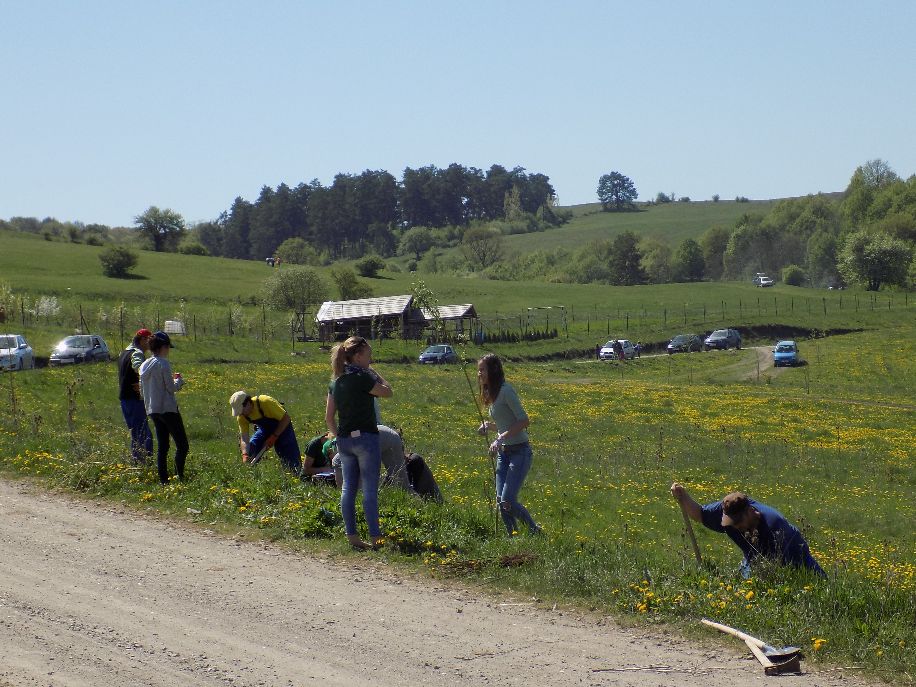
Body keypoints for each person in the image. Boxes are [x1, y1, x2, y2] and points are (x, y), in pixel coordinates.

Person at [670, 483, 825, 577]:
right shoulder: (727, 511)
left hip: (794, 556)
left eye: (738, 522)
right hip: (755, 559)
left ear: (750, 511)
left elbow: (778, 570)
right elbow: (699, 514)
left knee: (815, 585)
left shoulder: (775, 528)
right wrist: (683, 496)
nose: (735, 526)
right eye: (731, 522)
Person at [325, 336, 392, 550]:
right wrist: (374, 373)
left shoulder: (336, 381)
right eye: (369, 356)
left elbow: (328, 418)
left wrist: (337, 437)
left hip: (344, 440)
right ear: (358, 356)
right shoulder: (363, 378)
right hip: (366, 438)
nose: (370, 360)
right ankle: (376, 538)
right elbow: (388, 392)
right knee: (370, 489)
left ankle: (352, 537)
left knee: (348, 489)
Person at [477, 353, 540, 536]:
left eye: (482, 370)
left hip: (519, 453)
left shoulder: (506, 391)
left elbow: (523, 421)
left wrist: (500, 437)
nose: (479, 374)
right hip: (503, 454)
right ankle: (513, 537)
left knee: (508, 501)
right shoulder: (493, 393)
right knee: (500, 500)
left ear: (493, 371)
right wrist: (489, 426)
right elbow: (506, 424)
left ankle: (534, 531)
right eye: (478, 370)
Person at [139, 331, 187, 484]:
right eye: (168, 347)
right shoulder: (163, 363)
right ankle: (180, 477)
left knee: (163, 446)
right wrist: (179, 380)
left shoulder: (144, 365)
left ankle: (163, 481)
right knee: (183, 445)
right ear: (162, 347)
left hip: (153, 409)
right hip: (168, 409)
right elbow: (171, 388)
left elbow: (143, 389)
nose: (168, 350)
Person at [229, 391, 302, 474]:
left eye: (241, 410)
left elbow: (286, 419)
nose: (241, 413)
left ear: (248, 402)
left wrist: (274, 436)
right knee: (251, 448)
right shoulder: (241, 417)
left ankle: (296, 475)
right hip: (264, 430)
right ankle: (252, 474)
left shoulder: (265, 402)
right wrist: (245, 454)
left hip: (283, 428)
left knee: (290, 459)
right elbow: (244, 438)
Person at [118, 328, 153, 463]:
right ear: (143, 340)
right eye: (149, 341)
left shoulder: (123, 352)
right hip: (134, 398)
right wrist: (146, 376)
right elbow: (139, 368)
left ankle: (137, 461)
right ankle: (145, 464)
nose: (151, 344)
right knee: (143, 434)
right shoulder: (136, 353)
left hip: (125, 398)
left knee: (136, 433)